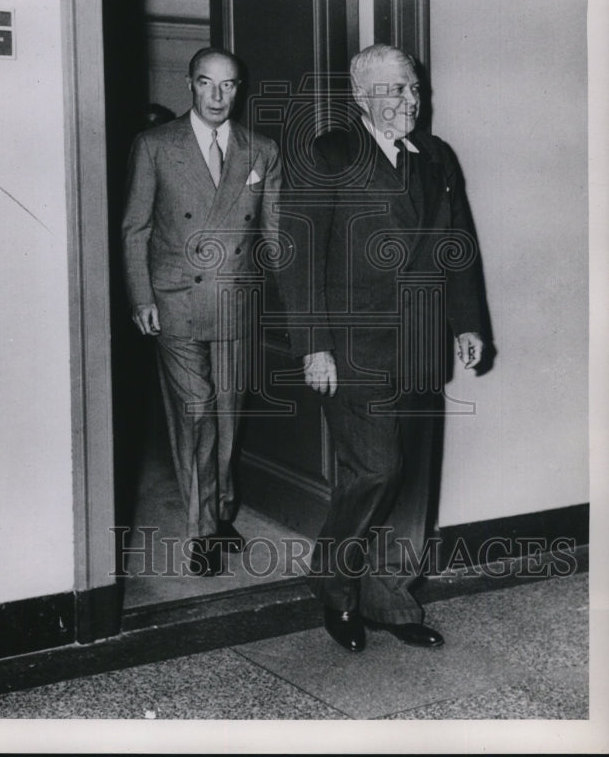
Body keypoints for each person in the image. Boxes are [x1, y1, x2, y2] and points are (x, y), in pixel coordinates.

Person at [280, 43, 486, 650]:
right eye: (396, 88)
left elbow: (459, 245)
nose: (409, 100)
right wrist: (313, 345)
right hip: (353, 348)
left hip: (422, 343)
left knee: (414, 479)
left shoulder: (438, 157)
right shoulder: (330, 153)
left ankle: (390, 595)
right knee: (376, 469)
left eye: (415, 88)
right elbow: (299, 258)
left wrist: (467, 322)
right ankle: (337, 583)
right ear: (361, 94)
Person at [122, 47, 281, 575]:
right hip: (176, 301)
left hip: (236, 299)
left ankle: (221, 509)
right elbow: (135, 229)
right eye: (207, 84)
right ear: (190, 85)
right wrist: (142, 297)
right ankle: (201, 530)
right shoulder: (155, 145)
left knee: (230, 415)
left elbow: (275, 234)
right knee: (196, 412)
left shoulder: (261, 150)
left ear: (240, 88)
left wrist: (298, 301)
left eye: (228, 85)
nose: (217, 96)